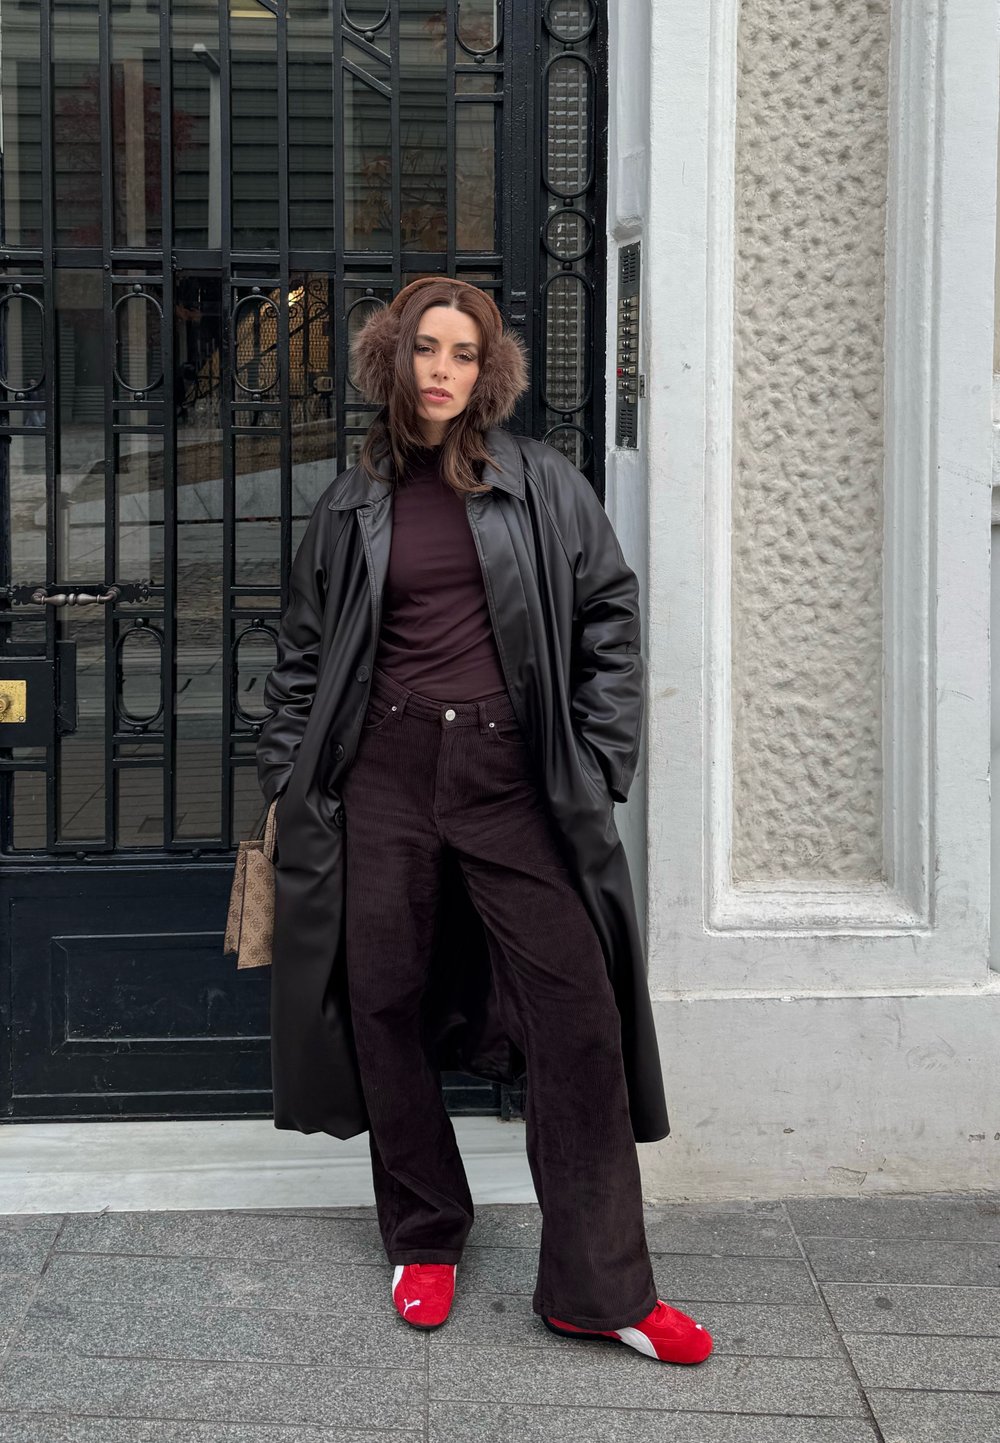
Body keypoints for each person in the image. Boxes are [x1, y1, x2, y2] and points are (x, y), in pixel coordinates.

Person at [256, 276, 712, 1364]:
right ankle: (425, 1231)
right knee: (385, 1001)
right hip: (385, 772)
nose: (442, 370)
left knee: (577, 1019)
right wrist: (289, 770)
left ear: (487, 371)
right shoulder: (351, 500)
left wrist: (598, 759)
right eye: (425, 348)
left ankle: (596, 1290)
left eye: (463, 353)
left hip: (513, 776)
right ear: (392, 361)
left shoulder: (541, 484)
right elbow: (302, 651)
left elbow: (608, 610)